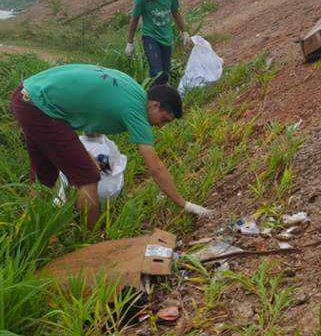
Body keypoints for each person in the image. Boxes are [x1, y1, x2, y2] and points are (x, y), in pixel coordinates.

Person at [10, 65, 211, 229]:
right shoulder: (136, 112)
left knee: (44, 178)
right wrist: (185, 204)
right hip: (41, 107)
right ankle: (91, 242)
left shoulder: (133, 90)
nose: (160, 125)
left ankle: (30, 228)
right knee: (88, 177)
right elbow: (155, 167)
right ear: (155, 105)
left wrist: (85, 155)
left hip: (27, 94)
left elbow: (90, 123)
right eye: (164, 120)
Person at [125, 0, 188, 84]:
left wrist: (184, 31)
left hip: (166, 37)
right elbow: (135, 20)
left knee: (165, 74)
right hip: (150, 37)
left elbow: (175, 12)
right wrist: (129, 43)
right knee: (156, 72)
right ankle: (154, 98)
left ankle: (161, 96)